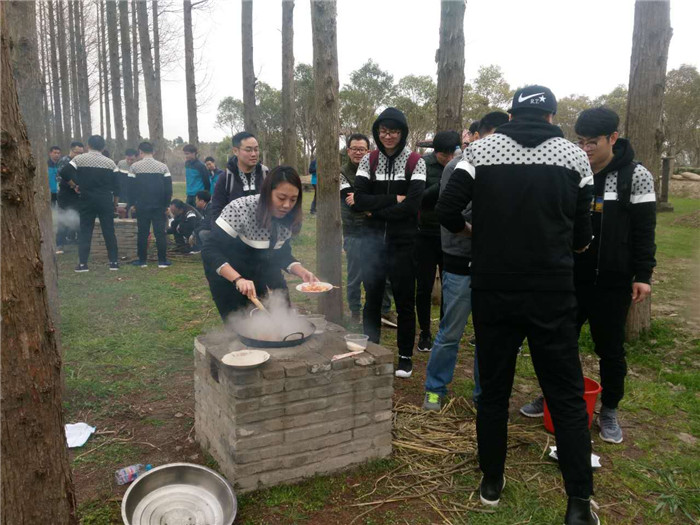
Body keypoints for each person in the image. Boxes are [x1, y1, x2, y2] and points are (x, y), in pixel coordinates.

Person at [437, 86, 598, 524]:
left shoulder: (480, 151)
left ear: (510, 115)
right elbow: (583, 233)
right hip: (551, 292)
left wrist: (472, 232)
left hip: (494, 289)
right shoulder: (574, 157)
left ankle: (491, 480)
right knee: (564, 395)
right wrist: (572, 243)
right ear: (550, 116)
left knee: (494, 390)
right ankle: (579, 502)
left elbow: (446, 206)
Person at [520, 107, 657, 446]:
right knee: (558, 342)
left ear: (613, 138)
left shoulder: (635, 177)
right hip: (568, 277)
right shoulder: (570, 169)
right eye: (580, 141)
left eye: (592, 142)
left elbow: (644, 230)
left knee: (609, 348)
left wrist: (643, 273)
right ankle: (552, 396)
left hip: (612, 281)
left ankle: (608, 409)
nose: (585, 149)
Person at [422, 111, 509, 412]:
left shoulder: (508, 168)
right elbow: (451, 213)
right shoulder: (458, 167)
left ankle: (482, 395)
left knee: (488, 336)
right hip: (460, 261)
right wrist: (479, 231)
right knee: (450, 332)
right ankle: (434, 388)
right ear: (477, 136)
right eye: (493, 136)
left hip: (495, 265)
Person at [351, 107, 427, 379]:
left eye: (394, 131)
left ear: (403, 133)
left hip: (404, 243)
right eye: (383, 131)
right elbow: (358, 200)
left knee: (405, 301)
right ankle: (372, 349)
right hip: (372, 242)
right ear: (377, 132)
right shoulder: (368, 161)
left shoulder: (416, 161)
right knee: (371, 298)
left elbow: (413, 205)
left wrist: (377, 210)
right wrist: (394, 199)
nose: (388, 136)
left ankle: (405, 356)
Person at [201, 166, 317, 320]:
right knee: (242, 325)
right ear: (267, 193)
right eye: (281, 198)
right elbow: (210, 249)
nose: (287, 205)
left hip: (262, 270)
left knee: (282, 315)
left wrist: (302, 272)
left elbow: (282, 255)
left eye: (293, 200)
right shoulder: (240, 209)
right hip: (228, 275)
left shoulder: (288, 218)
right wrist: (238, 279)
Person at [415, 131, 461, 352]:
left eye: (454, 154)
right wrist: (444, 182)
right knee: (423, 287)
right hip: (425, 233)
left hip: (450, 236)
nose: (450, 159)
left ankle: (445, 329)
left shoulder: (463, 164)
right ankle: (424, 332)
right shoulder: (423, 164)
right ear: (437, 152)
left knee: (449, 287)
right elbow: (418, 198)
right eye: (445, 156)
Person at [61, 135, 120, 272]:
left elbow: (64, 173)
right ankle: (114, 263)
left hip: (86, 199)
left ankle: (82, 264)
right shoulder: (111, 163)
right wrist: (115, 204)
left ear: (88, 145)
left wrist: (74, 185)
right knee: (109, 231)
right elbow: (117, 187)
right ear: (103, 147)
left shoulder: (79, 159)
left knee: (85, 231)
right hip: (105, 200)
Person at [128, 141, 173, 268]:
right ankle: (162, 261)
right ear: (153, 152)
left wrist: (132, 204)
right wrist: (166, 205)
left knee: (143, 233)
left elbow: (130, 188)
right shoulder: (163, 167)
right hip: (159, 205)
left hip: (141, 205)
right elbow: (168, 189)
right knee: (160, 233)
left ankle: (142, 261)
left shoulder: (134, 167)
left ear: (140, 152)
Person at [211, 132, 268, 223]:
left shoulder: (266, 174)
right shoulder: (226, 178)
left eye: (256, 149)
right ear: (235, 151)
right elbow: (216, 211)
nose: (253, 154)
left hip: (262, 233)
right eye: (248, 150)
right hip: (234, 233)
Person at [55, 141, 84, 253]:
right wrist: (74, 186)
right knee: (63, 219)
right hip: (65, 195)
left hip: (77, 195)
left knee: (78, 218)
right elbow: (64, 176)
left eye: (82, 153)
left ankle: (79, 242)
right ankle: (59, 244)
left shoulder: (80, 162)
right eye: (77, 153)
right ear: (71, 150)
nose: (80, 155)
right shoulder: (65, 161)